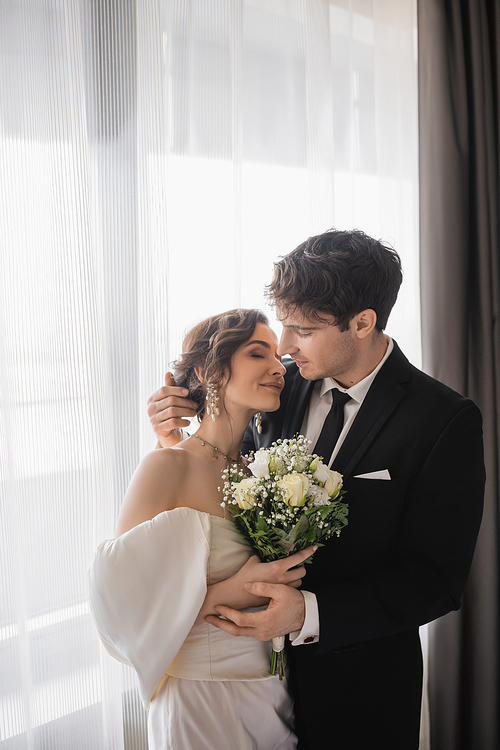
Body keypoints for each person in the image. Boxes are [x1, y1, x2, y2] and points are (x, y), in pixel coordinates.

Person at [148, 229, 485, 749]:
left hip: (360, 696)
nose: (284, 347)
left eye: (302, 330)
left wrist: (309, 613)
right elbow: (219, 478)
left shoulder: (442, 420)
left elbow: (436, 580)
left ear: (363, 322)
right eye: (283, 326)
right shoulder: (275, 385)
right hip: (248, 689)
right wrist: (178, 427)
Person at [88, 308, 317, 750]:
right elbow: (118, 603)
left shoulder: (258, 475)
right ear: (207, 370)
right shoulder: (166, 465)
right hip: (199, 697)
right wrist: (223, 594)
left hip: (271, 693)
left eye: (276, 354)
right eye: (258, 353)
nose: (278, 367)